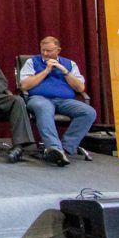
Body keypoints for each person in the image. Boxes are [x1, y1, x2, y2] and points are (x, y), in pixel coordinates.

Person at [18, 35, 97, 166]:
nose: (45, 53)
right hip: (39, 99)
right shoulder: (32, 62)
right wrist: (46, 71)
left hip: (64, 101)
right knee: (44, 107)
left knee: (89, 112)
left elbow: (80, 87)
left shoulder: (69, 64)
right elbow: (24, 86)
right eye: (42, 50)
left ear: (58, 50)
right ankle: (54, 147)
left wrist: (65, 71)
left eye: (48, 51)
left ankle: (65, 148)